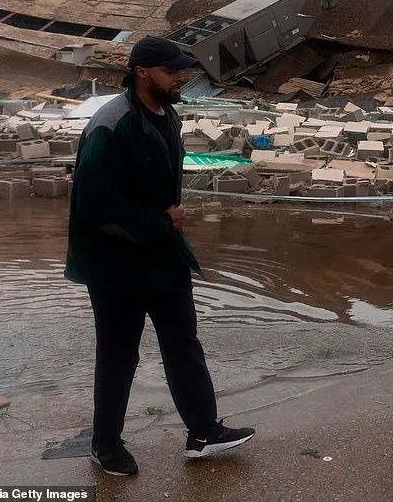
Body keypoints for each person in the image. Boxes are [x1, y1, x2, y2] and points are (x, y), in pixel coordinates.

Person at [65, 37, 254, 476]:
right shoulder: (110, 125)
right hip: (114, 262)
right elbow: (94, 206)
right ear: (142, 71)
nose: (180, 78)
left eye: (181, 71)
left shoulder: (168, 116)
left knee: (183, 343)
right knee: (118, 354)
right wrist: (161, 221)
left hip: (163, 256)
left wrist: (165, 229)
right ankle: (105, 443)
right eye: (171, 71)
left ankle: (204, 431)